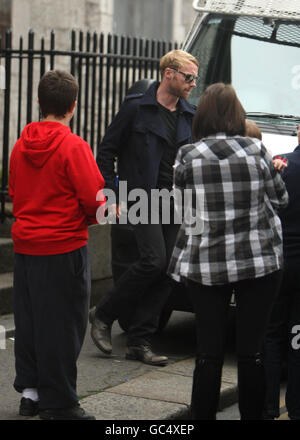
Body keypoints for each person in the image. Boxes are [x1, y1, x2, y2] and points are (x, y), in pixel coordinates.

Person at [168, 82, 289, 420]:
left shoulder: (187, 156)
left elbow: (181, 211)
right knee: (251, 352)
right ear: (238, 114)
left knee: (208, 353)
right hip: (259, 261)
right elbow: (281, 200)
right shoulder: (257, 151)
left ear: (202, 116)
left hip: (206, 263)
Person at [90, 49, 199, 366]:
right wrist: (113, 194)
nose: (193, 83)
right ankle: (104, 313)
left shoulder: (188, 116)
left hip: (174, 203)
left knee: (168, 271)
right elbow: (106, 151)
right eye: (188, 77)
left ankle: (140, 340)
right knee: (154, 261)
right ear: (169, 74)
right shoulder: (136, 109)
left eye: (194, 77)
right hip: (140, 199)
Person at [9, 70, 105, 420]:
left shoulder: (20, 145)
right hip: (63, 247)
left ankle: (31, 393)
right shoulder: (74, 146)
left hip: (27, 246)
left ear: (38, 102)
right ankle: (60, 402)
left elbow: (17, 193)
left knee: (31, 323)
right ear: (73, 106)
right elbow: (95, 202)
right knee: (64, 327)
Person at [263, 125, 300, 420]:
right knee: (298, 337)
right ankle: (297, 407)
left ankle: (268, 406)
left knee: (272, 334)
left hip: (278, 261)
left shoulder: (281, 164)